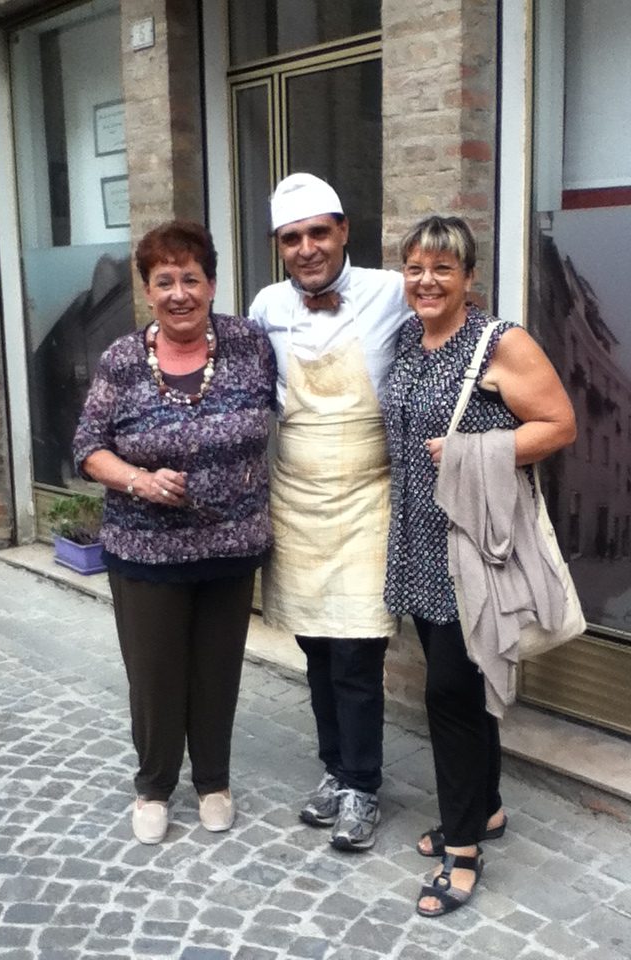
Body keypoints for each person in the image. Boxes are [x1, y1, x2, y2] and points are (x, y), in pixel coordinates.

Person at [380, 215, 576, 916]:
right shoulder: (409, 337)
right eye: (415, 268)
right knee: (463, 692)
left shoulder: (500, 342)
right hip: (419, 545)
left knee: (450, 700)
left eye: (442, 269)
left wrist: (474, 451)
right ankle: (485, 807)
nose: (426, 281)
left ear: (469, 278)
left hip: (474, 552)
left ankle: (463, 852)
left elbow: (558, 425)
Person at [73, 220, 276, 845]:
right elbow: (87, 447)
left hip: (230, 547)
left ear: (212, 284)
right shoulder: (122, 360)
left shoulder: (250, 345)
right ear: (148, 290)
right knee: (157, 678)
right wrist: (136, 479)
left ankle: (213, 780)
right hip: (145, 552)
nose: (179, 292)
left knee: (218, 672)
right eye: (165, 281)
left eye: (191, 278)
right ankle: (154, 785)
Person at [249, 173, 411, 852]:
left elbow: (453, 336)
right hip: (296, 497)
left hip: (369, 495)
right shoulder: (264, 306)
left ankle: (364, 785)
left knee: (356, 650)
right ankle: (335, 770)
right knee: (315, 647)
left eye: (319, 232)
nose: (308, 248)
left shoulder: (394, 291)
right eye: (293, 238)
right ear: (279, 246)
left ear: (344, 230)